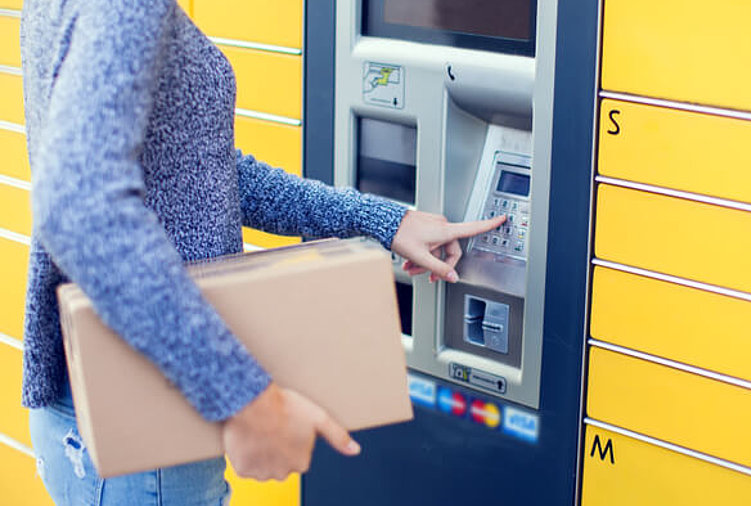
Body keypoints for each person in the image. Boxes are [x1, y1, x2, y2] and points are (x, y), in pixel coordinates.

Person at [19, 0, 505, 504]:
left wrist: (382, 220)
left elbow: (200, 174)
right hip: (146, 427)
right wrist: (244, 399)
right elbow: (77, 204)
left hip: (119, 408)